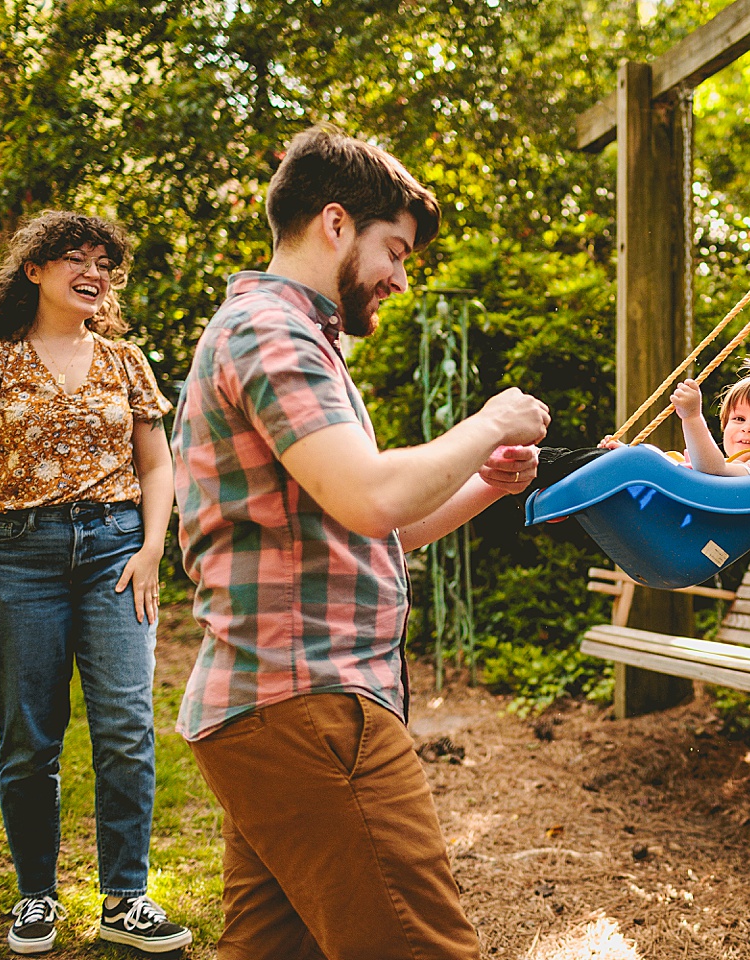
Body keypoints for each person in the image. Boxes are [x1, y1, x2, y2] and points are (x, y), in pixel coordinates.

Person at [171, 125, 549, 960]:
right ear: (336, 224)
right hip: (308, 705)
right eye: (395, 250)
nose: (400, 278)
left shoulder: (285, 335)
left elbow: (376, 530)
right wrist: (488, 418)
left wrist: (484, 479)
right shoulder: (272, 332)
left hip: (273, 709)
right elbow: (374, 497)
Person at [0, 211, 191, 956]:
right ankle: (36, 897)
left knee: (126, 730)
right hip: (17, 557)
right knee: (29, 741)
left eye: (105, 262)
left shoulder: (126, 361)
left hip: (114, 554)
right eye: (76, 257)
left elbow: (159, 465)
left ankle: (125, 898)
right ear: (34, 270)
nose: (94, 271)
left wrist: (150, 549)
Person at [529, 354, 750, 492]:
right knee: (638, 458)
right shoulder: (736, 465)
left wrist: (692, 417)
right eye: (739, 418)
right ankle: (556, 481)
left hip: (674, 513)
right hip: (667, 502)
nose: (748, 428)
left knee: (637, 460)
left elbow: (713, 469)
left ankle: (540, 466)